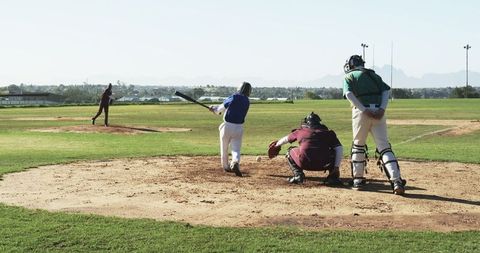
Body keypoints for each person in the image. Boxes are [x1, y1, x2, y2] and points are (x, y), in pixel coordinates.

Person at [343, 55, 406, 195]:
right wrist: (382, 109)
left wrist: (364, 110)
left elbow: (348, 94)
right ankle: (396, 181)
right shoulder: (373, 74)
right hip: (379, 112)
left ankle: (358, 180)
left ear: (351, 65)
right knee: (384, 147)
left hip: (361, 113)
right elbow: (385, 91)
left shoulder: (349, 76)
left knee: (358, 145)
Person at [269, 112, 343, 185]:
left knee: (290, 151)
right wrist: (336, 167)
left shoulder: (300, 131)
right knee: (334, 152)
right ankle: (333, 178)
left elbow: (286, 139)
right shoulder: (329, 133)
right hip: (324, 164)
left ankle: (298, 175)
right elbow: (339, 148)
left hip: (304, 163)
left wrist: (277, 144)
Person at [209, 82, 252, 177]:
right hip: (239, 128)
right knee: (236, 149)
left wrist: (214, 109)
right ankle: (235, 161)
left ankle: (226, 167)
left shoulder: (234, 96)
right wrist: (216, 110)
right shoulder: (247, 101)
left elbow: (220, 109)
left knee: (224, 148)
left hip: (227, 126)